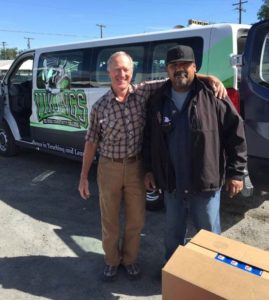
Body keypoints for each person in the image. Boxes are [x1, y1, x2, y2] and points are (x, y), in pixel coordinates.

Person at [78, 51, 227, 281]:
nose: (122, 74)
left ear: (132, 72)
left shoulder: (143, 92)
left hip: (136, 166)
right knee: (109, 219)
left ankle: (129, 260)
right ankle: (111, 260)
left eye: (126, 69)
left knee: (136, 219)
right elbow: (91, 141)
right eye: (117, 70)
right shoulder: (99, 106)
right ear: (108, 72)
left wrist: (210, 78)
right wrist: (83, 176)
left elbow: (178, 76)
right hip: (109, 167)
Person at [143, 45, 247, 262]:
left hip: (205, 182)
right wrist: (149, 170)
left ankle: (209, 276)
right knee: (173, 234)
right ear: (167, 70)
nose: (179, 69)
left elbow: (235, 134)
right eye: (173, 65)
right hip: (172, 183)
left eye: (185, 64)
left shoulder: (214, 95)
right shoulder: (158, 99)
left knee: (209, 234)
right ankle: (174, 272)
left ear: (195, 67)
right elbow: (149, 139)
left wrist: (236, 173)